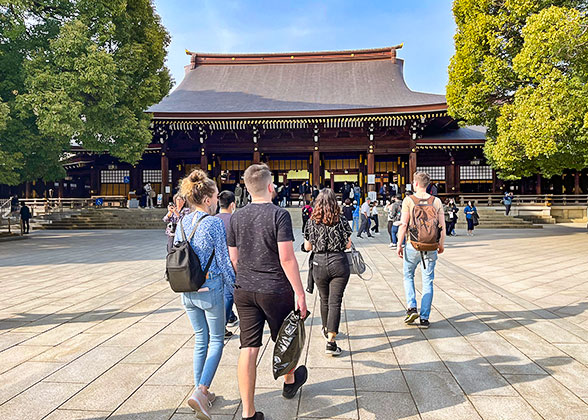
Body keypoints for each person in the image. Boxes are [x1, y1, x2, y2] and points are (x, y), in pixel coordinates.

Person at [227, 164, 308, 420]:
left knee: (248, 348)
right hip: (274, 289)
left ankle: (249, 413)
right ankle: (289, 381)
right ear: (271, 186)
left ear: (247, 188)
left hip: (244, 289)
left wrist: (248, 276)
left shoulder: (236, 216)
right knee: (285, 336)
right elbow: (287, 258)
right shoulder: (279, 214)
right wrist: (300, 293)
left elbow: (234, 258)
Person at [174, 170, 236, 420]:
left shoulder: (182, 222)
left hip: (187, 288)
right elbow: (223, 260)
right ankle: (201, 391)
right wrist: (235, 288)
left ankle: (201, 390)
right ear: (209, 199)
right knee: (217, 340)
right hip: (211, 288)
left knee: (201, 339)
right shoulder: (213, 223)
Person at [303, 188, 352, 356]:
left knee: (324, 299)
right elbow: (348, 245)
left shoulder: (311, 221)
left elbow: (308, 246)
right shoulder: (342, 219)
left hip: (319, 263)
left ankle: (326, 329)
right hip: (338, 262)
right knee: (335, 301)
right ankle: (331, 341)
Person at [396, 172, 445, 329]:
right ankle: (424, 318)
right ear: (428, 185)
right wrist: (441, 244)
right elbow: (442, 227)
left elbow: (403, 225)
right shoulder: (436, 201)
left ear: (415, 184)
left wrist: (399, 243)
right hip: (431, 246)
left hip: (413, 244)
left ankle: (411, 307)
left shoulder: (408, 200)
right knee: (427, 281)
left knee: (408, 276)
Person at [215, 191, 239, 337]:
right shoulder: (235, 220)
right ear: (232, 204)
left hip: (216, 263)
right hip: (231, 260)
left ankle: (230, 316)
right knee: (229, 294)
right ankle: (222, 326)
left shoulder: (212, 219)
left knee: (223, 292)